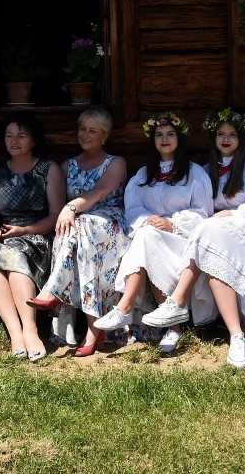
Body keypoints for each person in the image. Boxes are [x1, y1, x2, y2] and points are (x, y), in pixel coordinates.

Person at [141, 108, 245, 369]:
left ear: (241, 139)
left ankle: (178, 302)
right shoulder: (207, 171)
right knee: (210, 242)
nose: (226, 139)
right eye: (220, 134)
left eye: (232, 135)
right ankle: (236, 335)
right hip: (218, 235)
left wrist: (229, 213)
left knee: (208, 230)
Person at [93, 111, 213, 353]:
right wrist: (148, 220)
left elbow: (203, 212)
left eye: (170, 134)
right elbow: (133, 209)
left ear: (180, 139)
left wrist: (174, 224)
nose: (165, 139)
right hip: (152, 239)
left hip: (184, 244)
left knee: (148, 240)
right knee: (147, 238)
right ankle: (173, 328)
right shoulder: (143, 174)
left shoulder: (194, 173)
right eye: (159, 134)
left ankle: (125, 309)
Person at [26, 107, 131, 357]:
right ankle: (94, 329)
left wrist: (71, 208)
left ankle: (55, 290)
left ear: (105, 135)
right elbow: (57, 207)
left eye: (92, 131)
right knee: (75, 231)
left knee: (78, 225)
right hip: (80, 229)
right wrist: (67, 212)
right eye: (82, 129)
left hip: (111, 225)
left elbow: (99, 193)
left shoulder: (115, 162)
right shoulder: (67, 166)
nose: (85, 135)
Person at [0, 111, 65, 362]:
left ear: (34, 140)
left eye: (21, 136)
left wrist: (24, 231)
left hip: (37, 236)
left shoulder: (48, 169)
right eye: (9, 136)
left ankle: (31, 329)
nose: (14, 141)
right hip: (4, 236)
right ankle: (14, 331)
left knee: (15, 255)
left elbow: (55, 216)